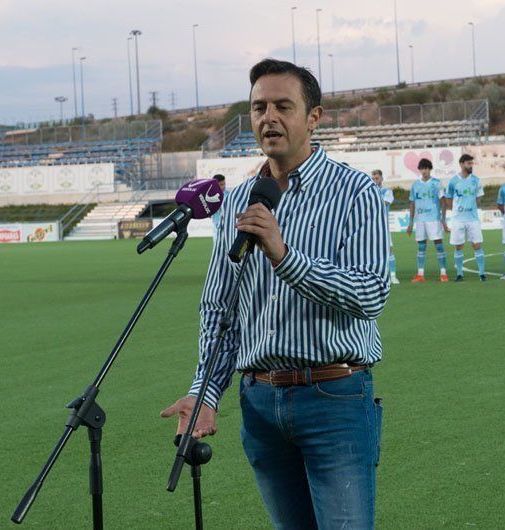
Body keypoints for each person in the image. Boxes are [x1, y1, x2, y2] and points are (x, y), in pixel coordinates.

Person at [160, 59, 388, 529]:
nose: (269, 117)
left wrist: (285, 257)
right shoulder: (239, 202)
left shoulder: (355, 192)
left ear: (314, 117)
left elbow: (370, 293)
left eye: (284, 106)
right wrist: (203, 392)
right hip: (260, 403)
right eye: (259, 107)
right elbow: (220, 309)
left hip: (335, 397)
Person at [406, 158, 449, 282]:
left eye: (426, 168)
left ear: (430, 169)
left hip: (433, 219)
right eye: (422, 168)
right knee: (421, 247)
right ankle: (420, 274)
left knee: (439, 246)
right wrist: (410, 222)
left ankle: (443, 273)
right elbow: (412, 203)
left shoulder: (436, 183)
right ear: (419, 169)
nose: (424, 171)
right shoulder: (415, 185)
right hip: (420, 221)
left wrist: (443, 219)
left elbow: (443, 202)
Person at [446, 154, 486, 282]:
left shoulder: (476, 180)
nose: (471, 166)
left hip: (473, 218)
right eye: (468, 163)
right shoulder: (453, 181)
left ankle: (482, 274)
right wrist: (456, 210)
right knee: (458, 246)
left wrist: (471, 206)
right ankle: (459, 274)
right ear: (462, 164)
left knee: (477, 245)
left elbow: (479, 197)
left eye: (471, 163)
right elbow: (448, 198)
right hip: (458, 219)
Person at [372, 169, 400, 284]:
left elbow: (384, 204)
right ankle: (377, 276)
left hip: (382, 227)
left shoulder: (387, 191)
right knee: (372, 252)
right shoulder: (369, 191)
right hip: (371, 227)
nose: (375, 180)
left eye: (377, 178)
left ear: (382, 178)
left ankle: (392, 276)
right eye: (373, 178)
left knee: (389, 250)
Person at [211, 174, 230, 240]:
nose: (223, 186)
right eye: (221, 185)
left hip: (228, 225)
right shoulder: (210, 195)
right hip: (217, 225)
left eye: (224, 184)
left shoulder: (229, 194)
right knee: (217, 246)